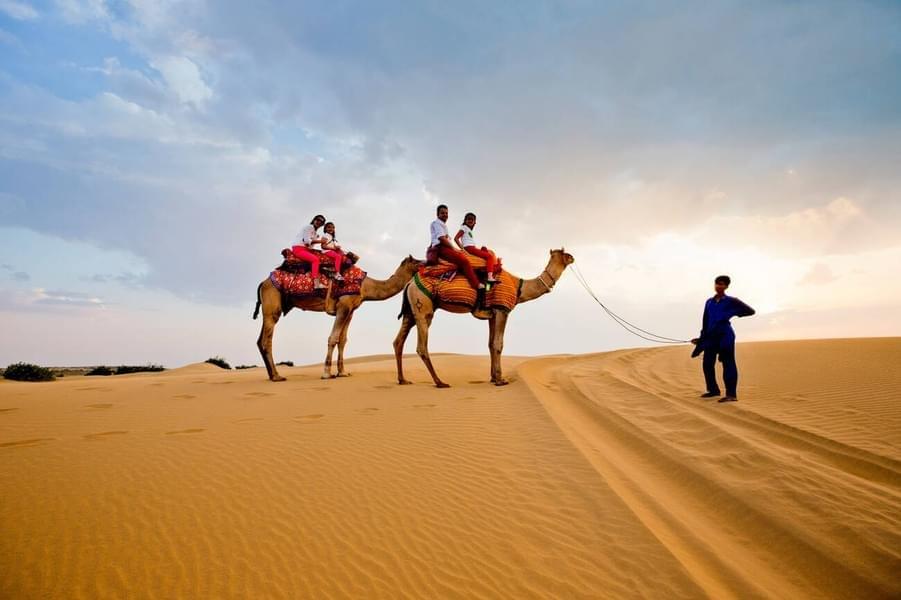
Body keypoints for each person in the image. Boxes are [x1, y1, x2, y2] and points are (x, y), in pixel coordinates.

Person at [691, 275, 755, 402]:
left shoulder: (732, 301)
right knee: (707, 363)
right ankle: (713, 390)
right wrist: (701, 338)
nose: (718, 286)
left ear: (726, 286)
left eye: (721, 284)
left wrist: (732, 314)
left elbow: (750, 311)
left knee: (728, 362)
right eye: (717, 283)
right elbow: (705, 321)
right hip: (710, 336)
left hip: (725, 335)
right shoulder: (709, 302)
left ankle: (731, 394)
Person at [430, 205, 483, 290]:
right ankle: (476, 284)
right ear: (437, 214)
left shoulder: (442, 225)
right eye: (442, 213)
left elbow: (435, 239)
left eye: (446, 213)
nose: (445, 215)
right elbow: (441, 238)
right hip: (442, 248)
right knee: (464, 261)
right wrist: (454, 248)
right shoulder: (437, 223)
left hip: (443, 247)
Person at [454, 212, 497, 283]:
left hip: (472, 248)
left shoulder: (469, 230)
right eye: (468, 219)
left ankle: (485, 274)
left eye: (472, 219)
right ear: (465, 221)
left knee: (484, 249)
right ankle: (490, 277)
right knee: (490, 256)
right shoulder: (464, 227)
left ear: (474, 222)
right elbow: (456, 238)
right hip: (469, 248)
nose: (470, 220)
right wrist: (463, 249)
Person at [291, 214, 327, 289]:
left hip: (305, 249)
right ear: (314, 220)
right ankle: (316, 283)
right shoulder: (309, 227)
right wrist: (320, 241)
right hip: (299, 248)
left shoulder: (314, 232)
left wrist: (318, 239)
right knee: (315, 260)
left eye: (321, 222)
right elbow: (307, 241)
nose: (318, 222)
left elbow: (310, 245)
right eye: (317, 220)